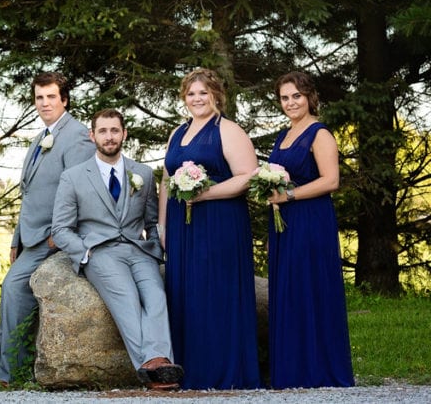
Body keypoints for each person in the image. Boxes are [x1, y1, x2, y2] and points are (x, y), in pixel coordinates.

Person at [52, 109, 183, 391]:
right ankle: (154, 367)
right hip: (100, 252)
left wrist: (156, 252)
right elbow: (60, 229)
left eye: (114, 130)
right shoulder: (73, 177)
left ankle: (157, 360)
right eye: (103, 131)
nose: (109, 136)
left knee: (156, 296)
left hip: (138, 250)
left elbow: (151, 220)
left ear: (124, 134)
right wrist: (85, 253)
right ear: (92, 136)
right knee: (125, 297)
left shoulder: (143, 174)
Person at [0, 72, 94, 386]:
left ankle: (9, 373)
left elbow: (78, 189)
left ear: (64, 100)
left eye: (51, 97)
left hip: (53, 235)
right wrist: (16, 238)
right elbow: (28, 192)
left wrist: (63, 231)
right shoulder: (40, 136)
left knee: (13, 288)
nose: (44, 103)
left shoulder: (78, 135)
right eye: (39, 97)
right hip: (32, 235)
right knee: (12, 292)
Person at [160, 68, 260, 390]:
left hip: (219, 221)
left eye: (203, 93)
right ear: (184, 98)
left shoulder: (228, 130)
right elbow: (166, 179)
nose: (197, 99)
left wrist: (205, 194)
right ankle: (189, 371)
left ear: (216, 94)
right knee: (185, 294)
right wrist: (163, 226)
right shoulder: (178, 132)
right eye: (191, 94)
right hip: (181, 225)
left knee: (215, 291)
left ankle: (222, 372)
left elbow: (247, 175)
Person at [264, 71, 354, 388]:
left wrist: (288, 194)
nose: (290, 103)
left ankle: (319, 368)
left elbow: (331, 180)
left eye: (296, 96)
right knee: (289, 289)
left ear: (309, 97)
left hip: (311, 220)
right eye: (285, 98)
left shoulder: (320, 134)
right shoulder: (283, 136)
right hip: (284, 224)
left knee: (310, 287)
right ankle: (293, 370)